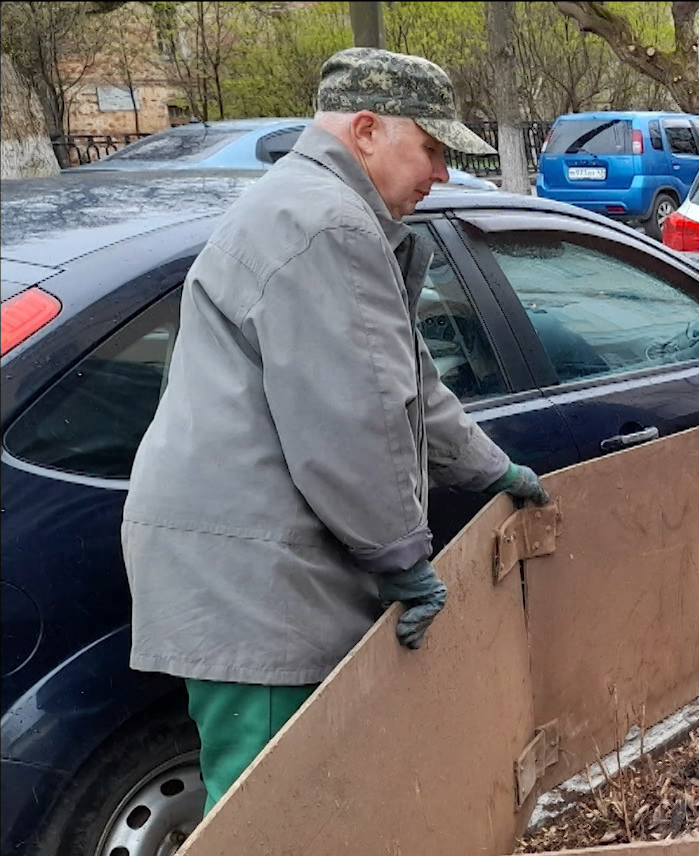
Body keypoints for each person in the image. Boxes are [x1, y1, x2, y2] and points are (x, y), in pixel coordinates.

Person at [122, 48, 550, 811]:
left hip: (251, 565)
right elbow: (356, 422)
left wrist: (493, 471)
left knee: (294, 813)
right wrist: (400, 559)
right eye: (432, 148)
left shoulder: (310, 208)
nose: (443, 173)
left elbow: (407, 386)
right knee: (272, 819)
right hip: (259, 589)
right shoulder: (327, 225)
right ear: (364, 130)